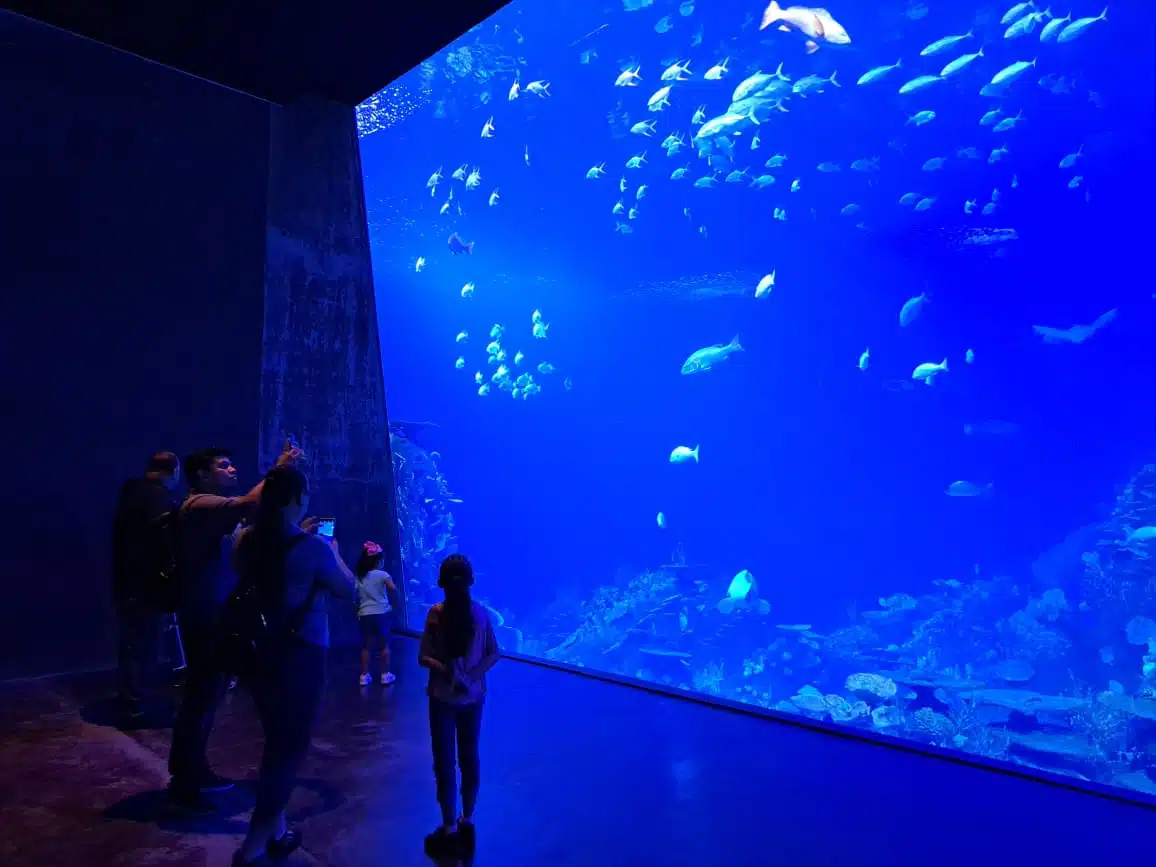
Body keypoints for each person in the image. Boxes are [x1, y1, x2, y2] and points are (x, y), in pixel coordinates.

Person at [230, 464, 356, 866]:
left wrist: (295, 532)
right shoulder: (314, 548)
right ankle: (252, 848)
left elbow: (254, 567)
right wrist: (333, 552)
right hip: (301, 655)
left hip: (257, 652)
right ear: (295, 498)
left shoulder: (247, 540)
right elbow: (347, 590)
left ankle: (279, 831)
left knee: (275, 742)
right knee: (288, 751)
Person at [167, 443, 302, 813]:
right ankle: (186, 779)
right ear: (200, 476)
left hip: (213, 613)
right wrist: (279, 469)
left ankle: (193, 769)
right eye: (222, 466)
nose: (231, 469)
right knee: (201, 696)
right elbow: (248, 503)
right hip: (204, 614)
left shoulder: (211, 512)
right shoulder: (199, 506)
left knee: (206, 695)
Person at [418, 554, 501, 856]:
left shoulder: (435, 614)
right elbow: (495, 653)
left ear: (441, 582)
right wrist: (471, 677)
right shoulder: (481, 614)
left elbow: (422, 656)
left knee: (444, 760)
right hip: (473, 698)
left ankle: (450, 824)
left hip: (441, 698)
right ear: (470, 581)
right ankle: (468, 815)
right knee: (469, 756)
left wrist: (448, 672)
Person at [110, 451, 180, 723]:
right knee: (145, 646)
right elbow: (167, 545)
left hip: (126, 582)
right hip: (147, 587)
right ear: (172, 471)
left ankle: (131, 700)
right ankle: (136, 707)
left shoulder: (131, 492)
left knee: (131, 645)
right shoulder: (160, 500)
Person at [355, 541, 397, 686]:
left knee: (366, 646)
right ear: (378, 561)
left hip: (364, 614)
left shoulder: (360, 576)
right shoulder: (383, 574)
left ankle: (364, 675)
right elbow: (393, 588)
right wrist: (392, 603)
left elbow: (355, 595)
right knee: (384, 645)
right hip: (381, 613)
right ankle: (385, 674)